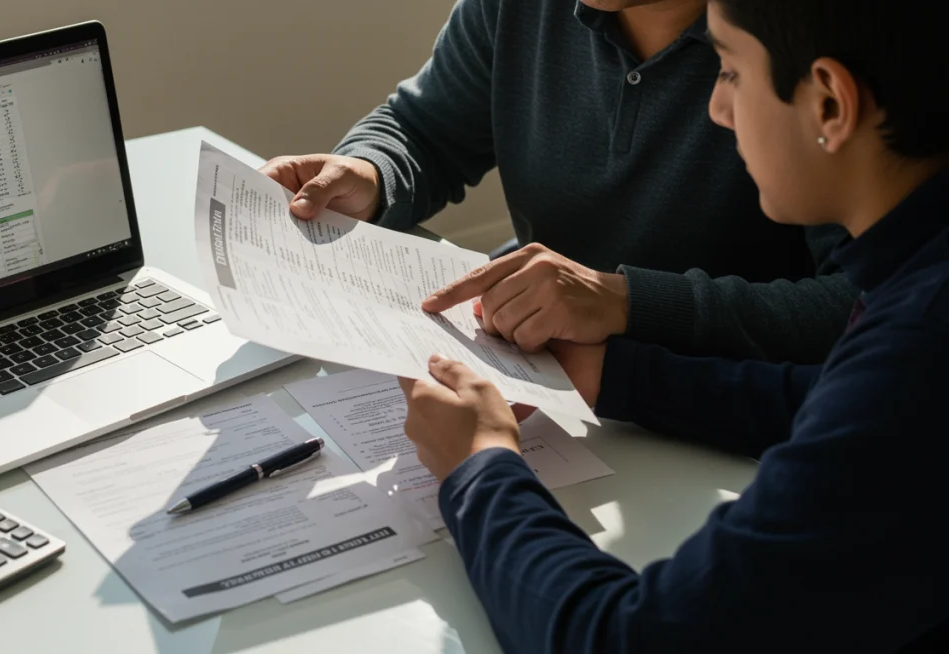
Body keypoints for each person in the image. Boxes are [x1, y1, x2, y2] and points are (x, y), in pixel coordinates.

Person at [397, 0, 949, 650]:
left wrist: (479, 467)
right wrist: (614, 376)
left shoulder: (919, 347)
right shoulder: (910, 274)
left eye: (731, 72)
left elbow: (623, 637)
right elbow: (827, 396)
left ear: (830, 103)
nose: (717, 109)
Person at [262, 0, 857, 364]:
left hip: (705, 394)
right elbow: (425, 128)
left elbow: (869, 306)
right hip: (529, 358)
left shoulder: (803, 38)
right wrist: (372, 172)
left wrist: (629, 303)